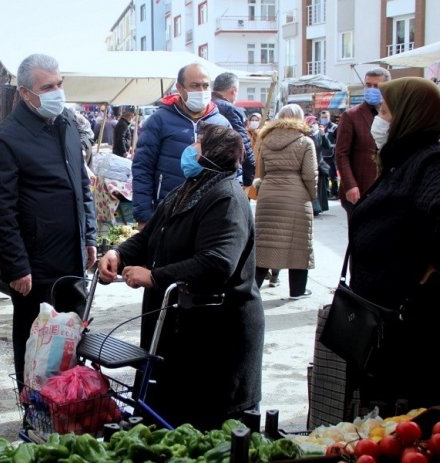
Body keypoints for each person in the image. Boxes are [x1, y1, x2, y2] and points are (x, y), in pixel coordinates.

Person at [98, 123, 264, 431]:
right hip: (177, 329)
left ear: (210, 155)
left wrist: (155, 276)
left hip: (216, 336)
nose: (190, 150)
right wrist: (118, 255)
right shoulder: (187, 189)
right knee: (165, 418)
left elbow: (217, 263)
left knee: (205, 430)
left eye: (197, 144)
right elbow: (150, 238)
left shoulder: (226, 197)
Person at [349, 77, 440, 414]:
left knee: (431, 420)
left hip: (432, 324)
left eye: (384, 111)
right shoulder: (407, 158)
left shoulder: (432, 159)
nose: (378, 120)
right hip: (404, 316)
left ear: (408, 116)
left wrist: (433, 264)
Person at [0, 53, 96, 385]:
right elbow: (0, 211)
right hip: (35, 265)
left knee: (72, 336)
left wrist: (88, 236)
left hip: (72, 256)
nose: (56, 92)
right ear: (25, 93)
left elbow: (81, 187)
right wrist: (17, 265)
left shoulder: (67, 126)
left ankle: (67, 402)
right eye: (47, 87)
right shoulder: (6, 139)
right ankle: (34, 406)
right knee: (35, 341)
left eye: (59, 84)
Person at [132, 63, 230, 226]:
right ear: (180, 88)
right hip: (169, 211)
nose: (201, 91)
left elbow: (233, 170)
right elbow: (142, 167)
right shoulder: (159, 120)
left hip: (210, 213)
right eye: (195, 86)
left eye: (205, 86)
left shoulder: (221, 123)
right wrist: (143, 216)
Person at [253, 104, 317, 298]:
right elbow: (310, 175)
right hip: (296, 197)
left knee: (264, 244)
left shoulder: (265, 141)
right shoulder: (305, 142)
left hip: (268, 196)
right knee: (298, 244)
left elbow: (261, 173)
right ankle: (297, 290)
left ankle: (251, 290)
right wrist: (312, 197)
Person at [335, 67, 391, 216]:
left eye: (376, 86)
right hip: (360, 190)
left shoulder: (395, 115)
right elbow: (341, 154)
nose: (371, 89)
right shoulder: (351, 116)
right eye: (368, 85)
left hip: (387, 190)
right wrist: (350, 185)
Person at [211, 72, 256, 188]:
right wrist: (248, 178)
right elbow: (242, 145)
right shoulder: (229, 109)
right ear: (234, 90)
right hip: (226, 174)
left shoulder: (205, 105)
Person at [305, 115, 331, 215]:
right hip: (309, 165)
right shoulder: (305, 135)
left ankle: (319, 207)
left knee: (320, 188)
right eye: (312, 123)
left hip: (319, 165)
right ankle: (313, 208)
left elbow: (327, 146)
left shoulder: (320, 135)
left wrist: (323, 135)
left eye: (315, 123)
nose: (314, 125)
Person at [319, 110, 339, 198]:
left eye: (326, 117)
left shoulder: (334, 127)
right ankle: (326, 192)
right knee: (324, 175)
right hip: (321, 154)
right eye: (322, 117)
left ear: (329, 117)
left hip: (331, 155)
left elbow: (339, 141)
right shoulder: (319, 127)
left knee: (332, 174)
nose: (324, 119)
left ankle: (335, 193)